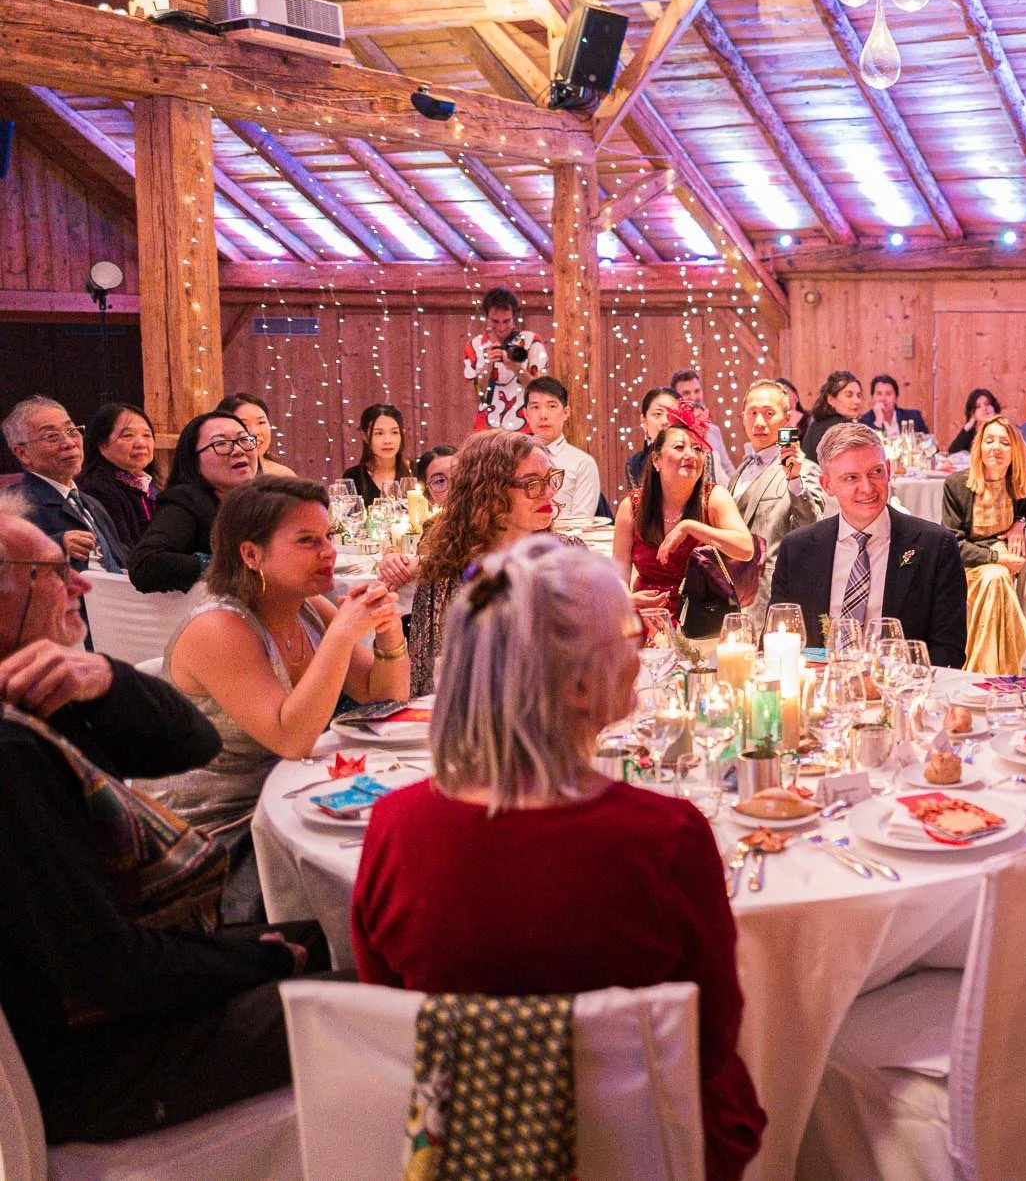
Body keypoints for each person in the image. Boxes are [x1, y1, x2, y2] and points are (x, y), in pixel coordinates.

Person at [350, 536, 765, 1180]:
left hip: (455, 1149)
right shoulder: (665, 837)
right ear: (575, 685)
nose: (641, 648)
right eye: (627, 634)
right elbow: (709, 1042)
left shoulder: (394, 827)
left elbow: (395, 1027)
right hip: (639, 1156)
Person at [0, 488, 326, 1145]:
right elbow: (110, 970)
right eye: (54, 572)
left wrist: (104, 675)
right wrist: (260, 960)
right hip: (100, 1064)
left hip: (115, 1003)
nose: (81, 582)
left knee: (346, 933)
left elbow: (189, 741)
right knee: (388, 991)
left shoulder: (35, 699)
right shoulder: (13, 755)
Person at [134, 478, 408, 920]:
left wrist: (388, 631)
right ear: (251, 554)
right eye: (307, 541)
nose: (328, 552)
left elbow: (385, 699)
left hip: (285, 799)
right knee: (380, 878)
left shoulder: (307, 606)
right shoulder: (218, 628)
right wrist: (341, 636)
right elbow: (292, 740)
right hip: (211, 837)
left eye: (328, 537)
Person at [377, 430, 573, 695]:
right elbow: (427, 681)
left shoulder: (568, 558)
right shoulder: (447, 576)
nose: (548, 492)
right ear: (490, 493)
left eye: (550, 479)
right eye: (532, 483)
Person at [770, 423, 967, 667]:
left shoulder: (935, 547)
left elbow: (949, 651)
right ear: (827, 485)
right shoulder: (797, 550)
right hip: (821, 684)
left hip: (897, 684)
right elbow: (778, 638)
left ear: (888, 470)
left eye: (875, 472)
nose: (867, 487)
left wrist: (886, 673)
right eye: (851, 477)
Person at [613, 402, 757, 634]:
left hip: (702, 619)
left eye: (697, 448)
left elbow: (745, 548)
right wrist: (628, 598)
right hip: (648, 618)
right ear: (656, 460)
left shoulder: (713, 498)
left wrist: (690, 527)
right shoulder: (632, 506)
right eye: (679, 447)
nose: (690, 455)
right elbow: (619, 571)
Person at [940, 417, 1026, 674]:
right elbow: (953, 544)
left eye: (1005, 442)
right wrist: (997, 558)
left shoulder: (1021, 480)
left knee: (998, 578)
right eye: (989, 440)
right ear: (979, 446)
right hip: (968, 564)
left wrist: (1019, 524)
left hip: (1003, 562)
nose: (996, 448)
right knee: (995, 578)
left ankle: (988, 671)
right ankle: (990, 671)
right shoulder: (957, 485)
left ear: (1015, 449)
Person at [127, 412, 261, 593]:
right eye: (221, 444)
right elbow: (145, 564)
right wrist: (225, 566)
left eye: (244, 440)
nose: (238, 450)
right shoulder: (186, 503)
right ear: (194, 462)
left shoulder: (264, 501)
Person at [731, 379, 824, 613]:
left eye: (768, 413)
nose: (759, 422)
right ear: (743, 417)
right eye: (752, 413)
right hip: (733, 596)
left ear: (787, 419)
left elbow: (812, 528)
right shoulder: (740, 471)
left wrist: (794, 479)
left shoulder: (806, 469)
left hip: (776, 598)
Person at [5, 396, 127, 573]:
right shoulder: (14, 504)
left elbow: (120, 558)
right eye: (51, 436)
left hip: (118, 586)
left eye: (71, 431)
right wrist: (56, 545)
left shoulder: (92, 503)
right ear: (22, 453)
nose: (69, 443)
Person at [80, 402, 164, 552]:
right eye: (128, 436)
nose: (141, 444)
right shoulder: (98, 489)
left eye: (147, 435)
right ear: (102, 444)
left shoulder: (150, 486)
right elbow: (121, 550)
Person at [462, 287, 549, 433]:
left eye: (506, 321)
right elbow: (472, 395)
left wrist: (516, 368)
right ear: (486, 317)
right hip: (487, 431)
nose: (501, 328)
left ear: (514, 316)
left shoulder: (530, 342)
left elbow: (542, 392)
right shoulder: (475, 345)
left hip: (526, 430)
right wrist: (488, 365)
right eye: (495, 321)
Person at [523, 375, 601, 521]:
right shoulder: (517, 460)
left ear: (566, 413)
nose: (543, 415)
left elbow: (582, 522)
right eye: (535, 407)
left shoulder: (583, 463)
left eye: (551, 406)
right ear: (526, 414)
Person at [670, 369, 738, 484]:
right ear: (676, 399)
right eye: (686, 393)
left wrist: (736, 488)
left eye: (697, 391)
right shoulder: (671, 433)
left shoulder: (713, 430)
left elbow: (727, 467)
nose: (693, 397)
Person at [340, 403, 414, 506]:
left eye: (394, 432)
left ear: (402, 434)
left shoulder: (416, 471)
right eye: (379, 433)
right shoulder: (354, 477)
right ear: (364, 436)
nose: (387, 440)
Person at [217, 392, 297, 478]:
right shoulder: (220, 476)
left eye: (261, 422)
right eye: (244, 424)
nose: (255, 432)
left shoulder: (283, 475)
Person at [800, 370, 866, 463]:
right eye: (849, 395)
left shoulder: (815, 425)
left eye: (858, 395)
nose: (857, 401)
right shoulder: (844, 427)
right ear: (831, 400)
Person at [625, 387, 677, 492]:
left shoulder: (701, 456)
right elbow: (637, 502)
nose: (665, 421)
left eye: (672, 414)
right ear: (644, 421)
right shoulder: (634, 464)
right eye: (658, 414)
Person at [865, 374, 930, 436]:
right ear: (872, 397)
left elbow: (928, 442)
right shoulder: (865, 421)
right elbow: (868, 443)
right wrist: (878, 421)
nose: (883, 398)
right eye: (879, 394)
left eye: (888, 394)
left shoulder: (914, 417)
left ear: (896, 398)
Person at [945, 388, 1001, 454]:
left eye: (987, 404)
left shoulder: (1003, 430)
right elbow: (952, 453)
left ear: (994, 407)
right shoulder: (971, 434)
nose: (984, 408)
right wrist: (968, 426)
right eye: (978, 406)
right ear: (973, 414)